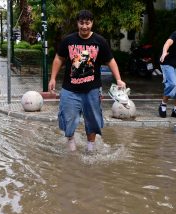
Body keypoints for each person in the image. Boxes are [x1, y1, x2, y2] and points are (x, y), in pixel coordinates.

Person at [48, 9, 126, 152]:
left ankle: (90, 146)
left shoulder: (99, 41)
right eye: (82, 23)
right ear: (77, 23)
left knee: (92, 119)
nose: (84, 26)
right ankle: (71, 142)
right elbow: (59, 58)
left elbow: (110, 60)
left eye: (88, 23)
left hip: (92, 89)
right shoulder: (68, 40)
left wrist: (119, 79)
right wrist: (52, 78)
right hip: (70, 89)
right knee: (68, 117)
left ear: (92, 23)